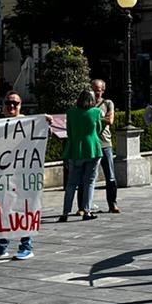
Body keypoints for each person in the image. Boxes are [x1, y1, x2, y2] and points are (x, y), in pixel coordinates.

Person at [0, 92, 35, 260]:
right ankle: (1, 246)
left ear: (20, 106)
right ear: (3, 105)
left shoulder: (29, 123)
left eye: (15, 103)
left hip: (21, 176)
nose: (12, 106)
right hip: (2, 176)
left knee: (23, 210)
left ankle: (26, 246)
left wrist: (44, 122)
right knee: (2, 211)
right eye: (8, 103)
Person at [59, 89, 102, 221]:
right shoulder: (96, 112)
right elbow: (99, 129)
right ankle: (87, 211)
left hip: (75, 149)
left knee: (71, 183)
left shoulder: (71, 112)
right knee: (89, 181)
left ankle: (65, 212)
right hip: (92, 148)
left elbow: (69, 131)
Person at [91, 78, 120, 213]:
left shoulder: (108, 103)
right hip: (91, 144)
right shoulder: (88, 104)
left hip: (105, 143)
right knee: (89, 177)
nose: (96, 94)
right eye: (93, 90)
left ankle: (112, 203)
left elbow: (110, 120)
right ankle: (84, 206)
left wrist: (94, 118)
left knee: (110, 176)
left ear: (103, 90)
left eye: (98, 91)